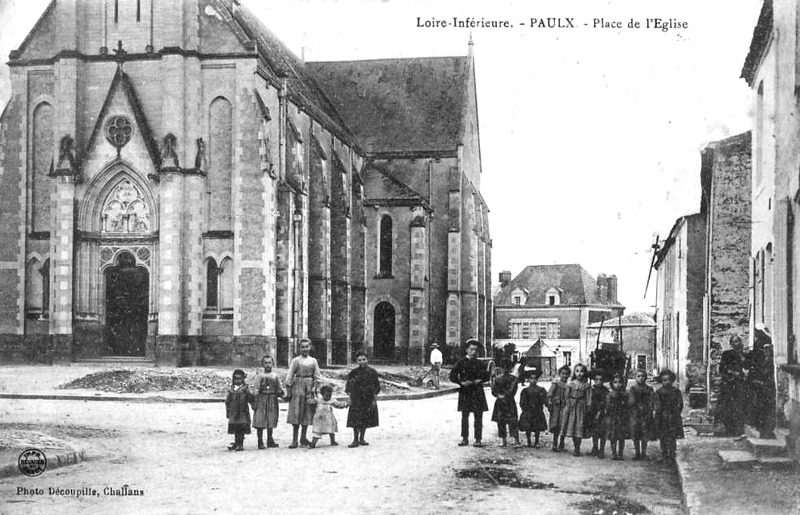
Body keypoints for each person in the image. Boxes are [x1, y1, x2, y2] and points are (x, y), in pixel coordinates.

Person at [450, 339, 490, 447]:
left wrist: (480, 380)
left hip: (477, 392)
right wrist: (461, 383)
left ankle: (478, 439)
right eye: (471, 349)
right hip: (465, 392)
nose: (473, 352)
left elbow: (487, 375)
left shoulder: (480, 363)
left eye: (475, 350)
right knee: (465, 416)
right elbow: (452, 376)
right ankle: (464, 438)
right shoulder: (461, 362)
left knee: (478, 417)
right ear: (466, 350)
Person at [285, 338, 322, 448]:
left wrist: (315, 387)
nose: (305, 349)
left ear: (310, 347)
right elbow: (290, 375)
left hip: (309, 387)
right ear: (299, 348)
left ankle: (303, 437)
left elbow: (317, 376)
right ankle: (294, 440)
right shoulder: (296, 360)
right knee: (296, 412)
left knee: (307, 413)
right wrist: (288, 390)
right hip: (297, 387)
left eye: (307, 346)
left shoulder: (313, 361)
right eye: (302, 347)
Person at [746, 325, 776, 439]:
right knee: (759, 408)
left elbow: (766, 371)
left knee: (764, 408)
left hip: (765, 386)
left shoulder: (768, 358)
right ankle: (762, 429)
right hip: (759, 384)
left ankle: (765, 431)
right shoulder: (758, 350)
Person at [346, 350, 381, 448]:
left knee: (365, 418)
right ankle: (355, 439)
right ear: (357, 361)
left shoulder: (372, 372)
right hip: (356, 399)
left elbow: (376, 387)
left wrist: (374, 399)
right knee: (355, 419)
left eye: (364, 359)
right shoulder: (353, 372)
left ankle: (362, 438)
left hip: (367, 399)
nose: (362, 362)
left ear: (367, 360)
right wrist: (349, 398)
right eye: (359, 360)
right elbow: (348, 387)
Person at [252, 356, 285, 449]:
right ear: (263, 364)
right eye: (265, 363)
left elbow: (279, 388)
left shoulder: (275, 376)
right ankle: (260, 441)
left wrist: (284, 395)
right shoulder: (260, 376)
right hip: (262, 399)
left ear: (273, 364)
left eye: (269, 363)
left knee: (271, 419)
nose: (267, 365)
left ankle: (270, 440)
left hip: (272, 400)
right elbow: (256, 389)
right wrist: (255, 400)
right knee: (260, 420)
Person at [718, 334, 747, 437]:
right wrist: (732, 373)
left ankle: (738, 429)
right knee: (728, 406)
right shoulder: (727, 354)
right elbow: (722, 368)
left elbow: (747, 366)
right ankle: (729, 429)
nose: (737, 343)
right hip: (729, 384)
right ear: (731, 344)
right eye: (734, 341)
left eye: (738, 341)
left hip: (740, 384)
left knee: (739, 406)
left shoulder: (744, 354)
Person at [561, 363, 592, 456]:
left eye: (582, 371)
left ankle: (577, 448)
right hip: (572, 408)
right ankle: (575, 446)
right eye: (577, 371)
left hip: (581, 408)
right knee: (573, 427)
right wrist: (567, 405)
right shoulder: (571, 384)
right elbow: (566, 396)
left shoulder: (586, 385)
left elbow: (589, 397)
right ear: (574, 373)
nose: (579, 373)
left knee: (579, 427)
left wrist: (588, 406)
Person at [654, 369, 684, 464]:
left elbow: (680, 403)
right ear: (661, 381)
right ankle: (664, 454)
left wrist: (675, 410)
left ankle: (671, 454)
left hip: (673, 417)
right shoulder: (659, 392)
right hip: (662, 418)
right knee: (663, 437)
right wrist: (659, 411)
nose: (667, 382)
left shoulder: (676, 391)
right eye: (664, 380)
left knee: (672, 437)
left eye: (668, 380)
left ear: (672, 380)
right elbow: (657, 404)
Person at [309, 384, 349, 449]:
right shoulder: (319, 399)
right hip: (320, 419)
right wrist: (310, 401)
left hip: (329, 419)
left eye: (329, 395)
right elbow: (312, 401)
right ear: (322, 394)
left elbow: (338, 404)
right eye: (326, 395)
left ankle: (332, 441)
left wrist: (345, 404)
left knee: (331, 430)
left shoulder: (332, 400)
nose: (328, 397)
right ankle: (313, 443)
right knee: (317, 431)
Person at [491, 360, 520, 447]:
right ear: (502, 368)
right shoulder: (499, 378)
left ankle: (515, 441)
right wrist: (498, 395)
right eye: (504, 367)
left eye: (507, 367)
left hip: (507, 402)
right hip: (504, 402)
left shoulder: (513, 379)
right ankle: (505, 441)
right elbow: (494, 391)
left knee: (512, 421)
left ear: (510, 368)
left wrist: (500, 395)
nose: (506, 369)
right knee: (501, 421)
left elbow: (513, 390)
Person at [225, 369, 255, 451]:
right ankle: (236, 442)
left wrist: (254, 404)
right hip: (234, 413)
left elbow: (250, 398)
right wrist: (228, 411)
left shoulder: (245, 389)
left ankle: (240, 444)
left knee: (241, 429)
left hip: (242, 413)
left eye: (240, 379)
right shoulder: (231, 390)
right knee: (235, 429)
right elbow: (228, 401)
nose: (238, 381)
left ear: (243, 379)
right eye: (236, 379)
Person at [629, 370, 655, 460]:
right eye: (638, 376)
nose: (641, 378)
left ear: (646, 377)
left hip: (646, 414)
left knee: (645, 434)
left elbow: (652, 401)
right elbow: (631, 402)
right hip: (635, 414)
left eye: (643, 376)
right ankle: (637, 453)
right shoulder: (633, 389)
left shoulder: (649, 389)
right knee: (636, 434)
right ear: (635, 378)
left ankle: (643, 453)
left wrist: (650, 409)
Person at [518, 369, 548, 448]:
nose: (533, 380)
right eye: (531, 378)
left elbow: (545, 399)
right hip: (528, 411)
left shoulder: (541, 390)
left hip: (538, 411)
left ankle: (537, 442)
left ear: (537, 380)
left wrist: (547, 404)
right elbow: (522, 401)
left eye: (535, 379)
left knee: (537, 427)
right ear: (528, 379)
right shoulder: (525, 390)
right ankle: (529, 441)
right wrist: (524, 408)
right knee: (528, 427)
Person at [605, 373, 631, 461]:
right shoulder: (610, 395)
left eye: (620, 382)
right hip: (613, 417)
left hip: (622, 417)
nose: (618, 384)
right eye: (615, 382)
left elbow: (628, 406)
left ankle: (620, 453)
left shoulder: (625, 394)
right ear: (612, 384)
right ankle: (614, 453)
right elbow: (608, 407)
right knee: (613, 436)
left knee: (621, 437)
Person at [586, 369, 609, 459]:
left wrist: (600, 412)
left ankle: (602, 450)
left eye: (600, 380)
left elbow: (605, 403)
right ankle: (595, 448)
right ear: (594, 380)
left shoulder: (605, 391)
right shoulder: (592, 390)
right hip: (592, 413)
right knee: (594, 432)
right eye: (596, 380)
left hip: (602, 414)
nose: (598, 381)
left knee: (602, 432)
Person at [548, 365, 571, 452]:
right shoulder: (556, 384)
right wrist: (552, 401)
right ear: (559, 374)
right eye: (563, 374)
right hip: (557, 408)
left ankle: (561, 444)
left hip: (565, 408)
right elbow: (550, 394)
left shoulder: (569, 386)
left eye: (566, 374)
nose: (564, 376)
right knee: (556, 426)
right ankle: (554, 444)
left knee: (564, 425)